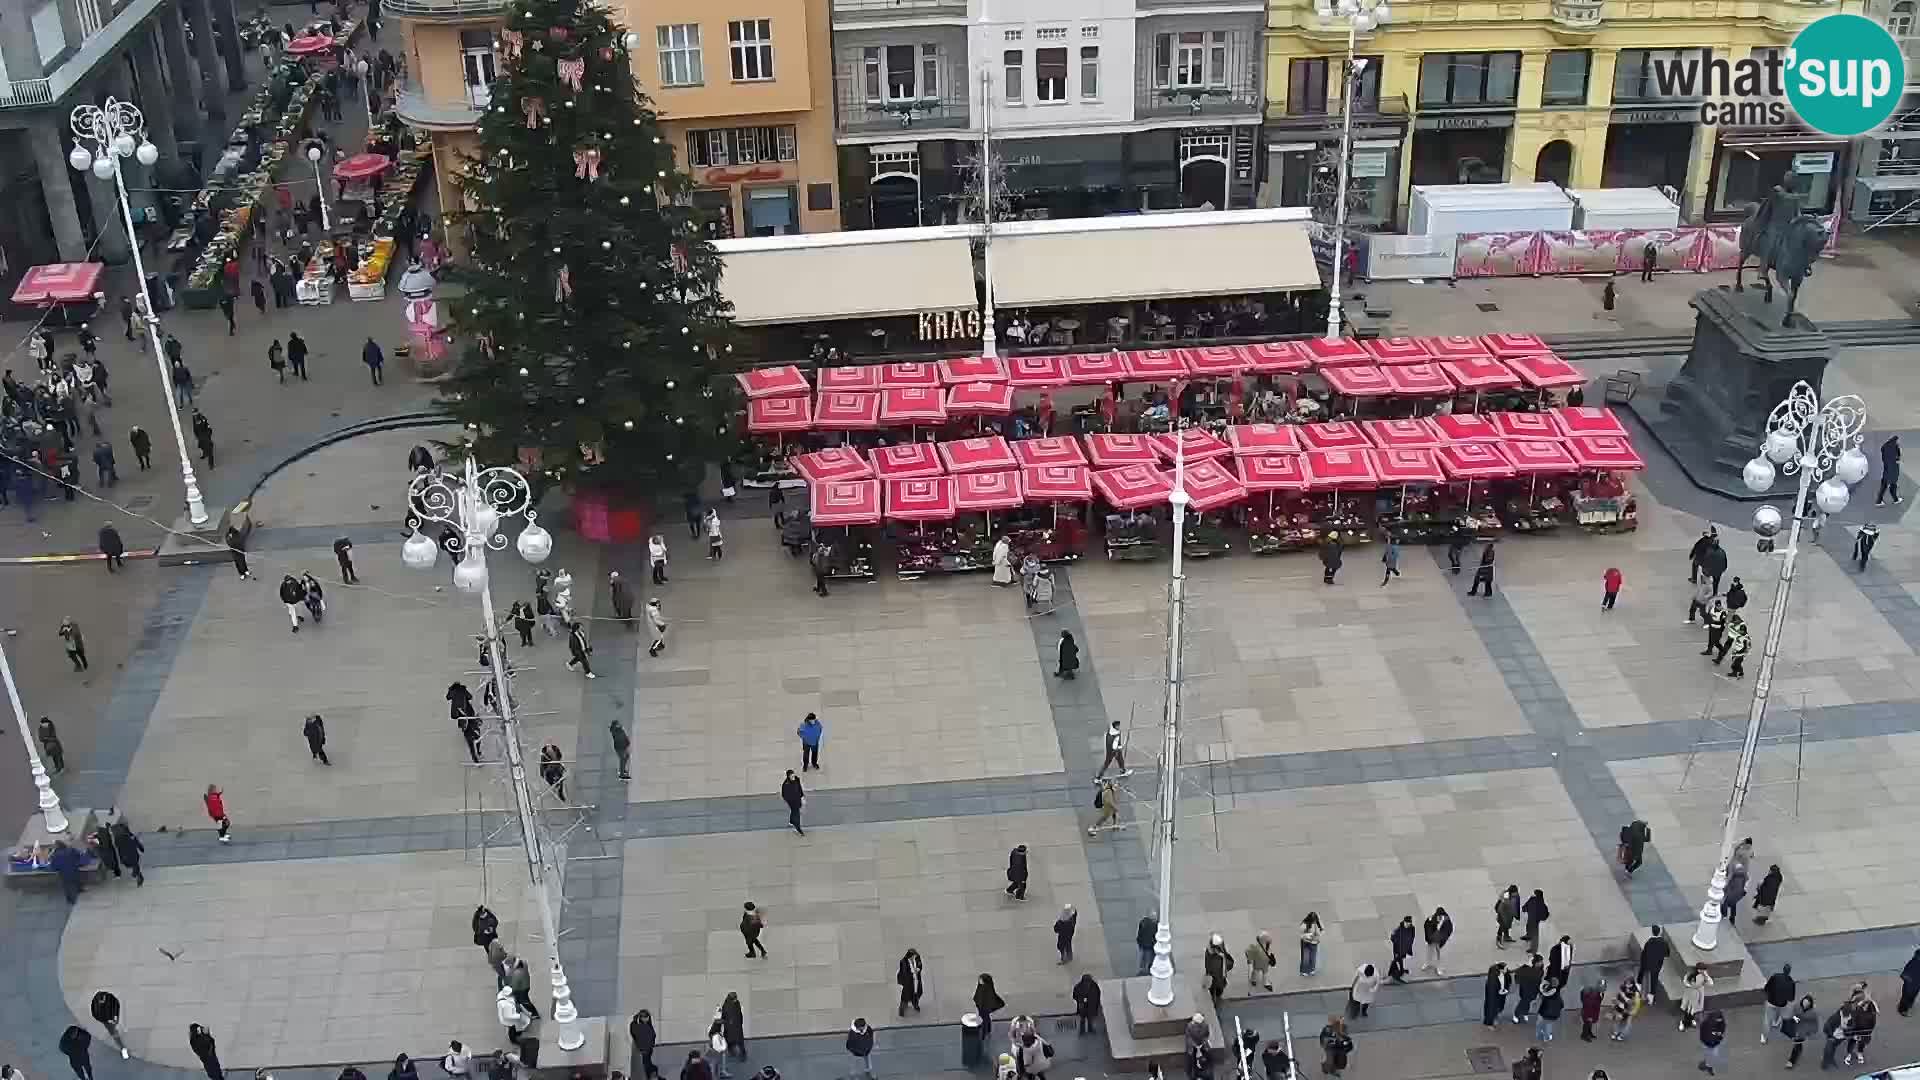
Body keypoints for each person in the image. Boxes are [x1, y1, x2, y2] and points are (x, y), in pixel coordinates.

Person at [90, 990, 128, 1058]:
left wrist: (115, 1016)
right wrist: (103, 1020)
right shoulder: (95, 1002)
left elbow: (116, 1004)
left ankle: (119, 1027)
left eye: (103, 1001)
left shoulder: (109, 997)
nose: (101, 1003)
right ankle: (122, 1047)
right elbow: (94, 1013)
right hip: (106, 1021)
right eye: (100, 1002)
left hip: (113, 1016)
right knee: (113, 1032)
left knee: (117, 1024)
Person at [1783, 994, 1817, 1067]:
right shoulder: (1797, 1006)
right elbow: (1791, 1013)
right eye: (1804, 1002)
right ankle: (1799, 1048)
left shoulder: (1812, 1013)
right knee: (1797, 1044)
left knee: (1796, 1044)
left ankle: (1791, 1061)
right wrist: (1794, 1017)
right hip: (1795, 1027)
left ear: (1810, 1004)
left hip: (1803, 1030)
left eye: (1807, 1004)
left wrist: (1811, 1032)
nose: (1805, 1005)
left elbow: (1814, 1023)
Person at [110, 819, 144, 886]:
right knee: (134, 863)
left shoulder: (118, 838)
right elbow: (136, 841)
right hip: (131, 852)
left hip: (126, 854)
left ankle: (138, 875)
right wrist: (140, 848)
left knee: (133, 863)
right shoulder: (129, 835)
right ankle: (137, 875)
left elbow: (117, 846)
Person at [1609, 977, 1643, 1041]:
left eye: (1629, 984)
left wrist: (1634, 1011)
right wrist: (1615, 1003)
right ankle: (1615, 1032)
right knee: (1618, 1020)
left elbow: (1637, 1003)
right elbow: (1618, 995)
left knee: (1627, 1023)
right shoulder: (1622, 987)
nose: (1627, 986)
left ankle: (1622, 1035)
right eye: (1626, 984)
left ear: (1632, 984)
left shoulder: (1636, 992)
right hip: (1620, 1007)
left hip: (1629, 1008)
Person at [1820, 1001, 1851, 1070]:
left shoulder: (1850, 1016)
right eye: (1847, 1012)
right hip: (1833, 1036)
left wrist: (1848, 1030)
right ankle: (1824, 1063)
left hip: (1841, 1037)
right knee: (1827, 1050)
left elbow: (1852, 1025)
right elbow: (1827, 1026)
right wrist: (1830, 1037)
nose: (1848, 1014)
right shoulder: (1836, 1017)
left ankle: (1831, 1059)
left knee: (1833, 1048)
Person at [1513, 954, 1544, 1024]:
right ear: (1535, 962)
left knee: (1528, 1002)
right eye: (1540, 961)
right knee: (1523, 1002)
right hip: (1526, 990)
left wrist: (1540, 992)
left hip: (1534, 990)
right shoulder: (1527, 969)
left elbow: (1539, 981)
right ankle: (1516, 1015)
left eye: (1541, 961)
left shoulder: (1541, 970)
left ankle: (1525, 1013)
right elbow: (1518, 974)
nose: (1541, 963)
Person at [1680, 963, 1712, 1029]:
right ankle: (1683, 1022)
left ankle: (1691, 1020)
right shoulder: (1691, 974)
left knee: (1694, 1009)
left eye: (1704, 970)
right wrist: (1691, 986)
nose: (1703, 971)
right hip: (1691, 992)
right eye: (1702, 970)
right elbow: (1685, 982)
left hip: (1698, 993)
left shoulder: (1704, 975)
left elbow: (1711, 983)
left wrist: (1706, 976)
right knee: (1689, 1009)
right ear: (1698, 969)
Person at [1204, 933, 1234, 1002]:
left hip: (1217, 977)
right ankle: (1216, 998)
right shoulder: (1215, 955)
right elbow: (1228, 963)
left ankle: (1215, 997)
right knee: (1217, 988)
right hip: (1217, 977)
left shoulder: (1210, 951)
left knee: (1216, 988)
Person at [630, 1011, 659, 1079]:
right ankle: (652, 1071)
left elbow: (633, 1031)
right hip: (646, 1050)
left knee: (646, 1064)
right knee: (646, 1063)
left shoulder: (645, 1027)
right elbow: (633, 1031)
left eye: (646, 1017)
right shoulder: (643, 1027)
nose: (645, 1019)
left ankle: (651, 1072)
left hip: (646, 1050)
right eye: (644, 1017)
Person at [1698, 1008, 1728, 1074]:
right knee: (1711, 1054)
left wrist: (1718, 1036)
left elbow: (1721, 1030)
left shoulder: (1710, 1023)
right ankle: (1709, 1065)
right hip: (1709, 1042)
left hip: (1711, 1042)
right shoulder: (1708, 1023)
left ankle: (1709, 1065)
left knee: (1712, 1054)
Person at [896, 949, 924, 1016]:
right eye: (912, 956)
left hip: (916, 981)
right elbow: (905, 973)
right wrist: (912, 974)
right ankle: (902, 1010)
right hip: (908, 982)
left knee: (917, 993)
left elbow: (920, 965)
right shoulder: (903, 962)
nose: (913, 958)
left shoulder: (917, 958)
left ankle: (915, 1004)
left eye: (914, 956)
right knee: (905, 996)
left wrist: (918, 969)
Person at [1536, 978, 1565, 1042]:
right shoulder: (1557, 994)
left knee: (1540, 1022)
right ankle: (1547, 1037)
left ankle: (1540, 1033)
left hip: (1545, 1012)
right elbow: (1562, 1005)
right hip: (1554, 1014)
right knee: (1549, 1025)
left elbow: (1543, 1001)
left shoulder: (1546, 992)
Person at [1388, 916, 1415, 983]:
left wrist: (1410, 944)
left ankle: (1401, 970)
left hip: (1405, 948)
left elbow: (1412, 936)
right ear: (1404, 922)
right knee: (1397, 960)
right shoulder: (1398, 930)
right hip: (1398, 949)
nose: (1408, 924)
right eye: (1407, 923)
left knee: (1401, 959)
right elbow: (1392, 938)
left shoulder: (1412, 928)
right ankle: (1395, 973)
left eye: (1409, 923)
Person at [720, 992, 746, 1060]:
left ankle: (743, 1054)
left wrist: (740, 1022)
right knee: (729, 1040)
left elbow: (739, 1013)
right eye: (734, 998)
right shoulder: (726, 1005)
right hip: (729, 1026)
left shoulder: (737, 1003)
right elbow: (724, 1015)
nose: (735, 1000)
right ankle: (731, 1052)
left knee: (739, 1041)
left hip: (737, 1026)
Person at [1578, 976, 1605, 1041]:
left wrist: (1601, 994)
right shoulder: (1590, 992)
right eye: (1602, 986)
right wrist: (1589, 1015)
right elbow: (1587, 1003)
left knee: (1590, 1023)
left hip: (1593, 1010)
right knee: (1587, 1023)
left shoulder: (1598, 992)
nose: (1603, 988)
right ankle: (1584, 1035)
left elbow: (1599, 1000)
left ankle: (1589, 1033)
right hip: (1588, 1010)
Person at [1878, 434, 1901, 505]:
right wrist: (1897, 460)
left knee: (1884, 485)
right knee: (1893, 485)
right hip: (1893, 469)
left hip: (1886, 469)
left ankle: (1879, 501)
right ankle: (1896, 500)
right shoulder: (1895, 447)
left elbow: (1884, 457)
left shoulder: (1885, 446)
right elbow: (1898, 456)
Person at [780, 769, 805, 835]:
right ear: (788, 776)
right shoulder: (785, 784)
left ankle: (791, 821)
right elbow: (784, 795)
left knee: (794, 811)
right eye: (791, 775)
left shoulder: (797, 779)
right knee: (797, 813)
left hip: (798, 799)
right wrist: (789, 800)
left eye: (793, 774)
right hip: (792, 802)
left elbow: (800, 788)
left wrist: (802, 797)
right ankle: (798, 828)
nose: (793, 776)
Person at [1300, 911, 1323, 975]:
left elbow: (1322, 930)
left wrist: (1318, 935)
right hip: (1306, 942)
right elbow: (1302, 935)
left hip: (1314, 942)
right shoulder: (1304, 924)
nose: (1314, 921)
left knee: (1313, 956)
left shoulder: (1318, 923)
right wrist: (1310, 936)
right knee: (1305, 957)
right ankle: (1304, 970)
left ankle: (1311, 969)